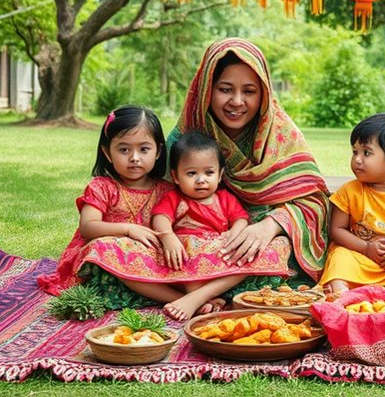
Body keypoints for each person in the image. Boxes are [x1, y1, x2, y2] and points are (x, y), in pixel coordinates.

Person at [168, 38, 330, 287]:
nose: (237, 101)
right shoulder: (187, 135)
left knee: (276, 252)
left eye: (249, 91)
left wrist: (269, 226)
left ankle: (207, 293)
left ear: (264, 94)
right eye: (225, 89)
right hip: (192, 240)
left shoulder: (282, 135)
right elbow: (156, 195)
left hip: (261, 242)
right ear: (206, 90)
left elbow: (314, 203)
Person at [114, 131, 288, 321]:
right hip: (181, 259)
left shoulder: (225, 199)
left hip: (218, 259)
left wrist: (235, 233)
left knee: (275, 245)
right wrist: (168, 237)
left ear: (220, 174)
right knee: (116, 252)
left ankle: (202, 298)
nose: (201, 179)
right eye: (191, 173)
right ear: (176, 176)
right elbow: (161, 217)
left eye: (209, 172)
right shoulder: (174, 198)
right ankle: (196, 299)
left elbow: (240, 219)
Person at [38, 106, 173, 297]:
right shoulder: (102, 187)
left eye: (144, 149)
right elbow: (88, 227)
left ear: (158, 151)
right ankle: (178, 299)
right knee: (102, 249)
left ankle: (182, 293)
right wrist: (128, 230)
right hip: (108, 262)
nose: (134, 158)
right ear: (107, 153)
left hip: (147, 258)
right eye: (124, 149)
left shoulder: (166, 190)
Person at [318, 113, 385, 292]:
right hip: (360, 258)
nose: (357, 159)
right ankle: (342, 296)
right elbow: (336, 230)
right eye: (355, 152)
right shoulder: (349, 191)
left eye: (366, 153)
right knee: (340, 256)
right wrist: (366, 248)